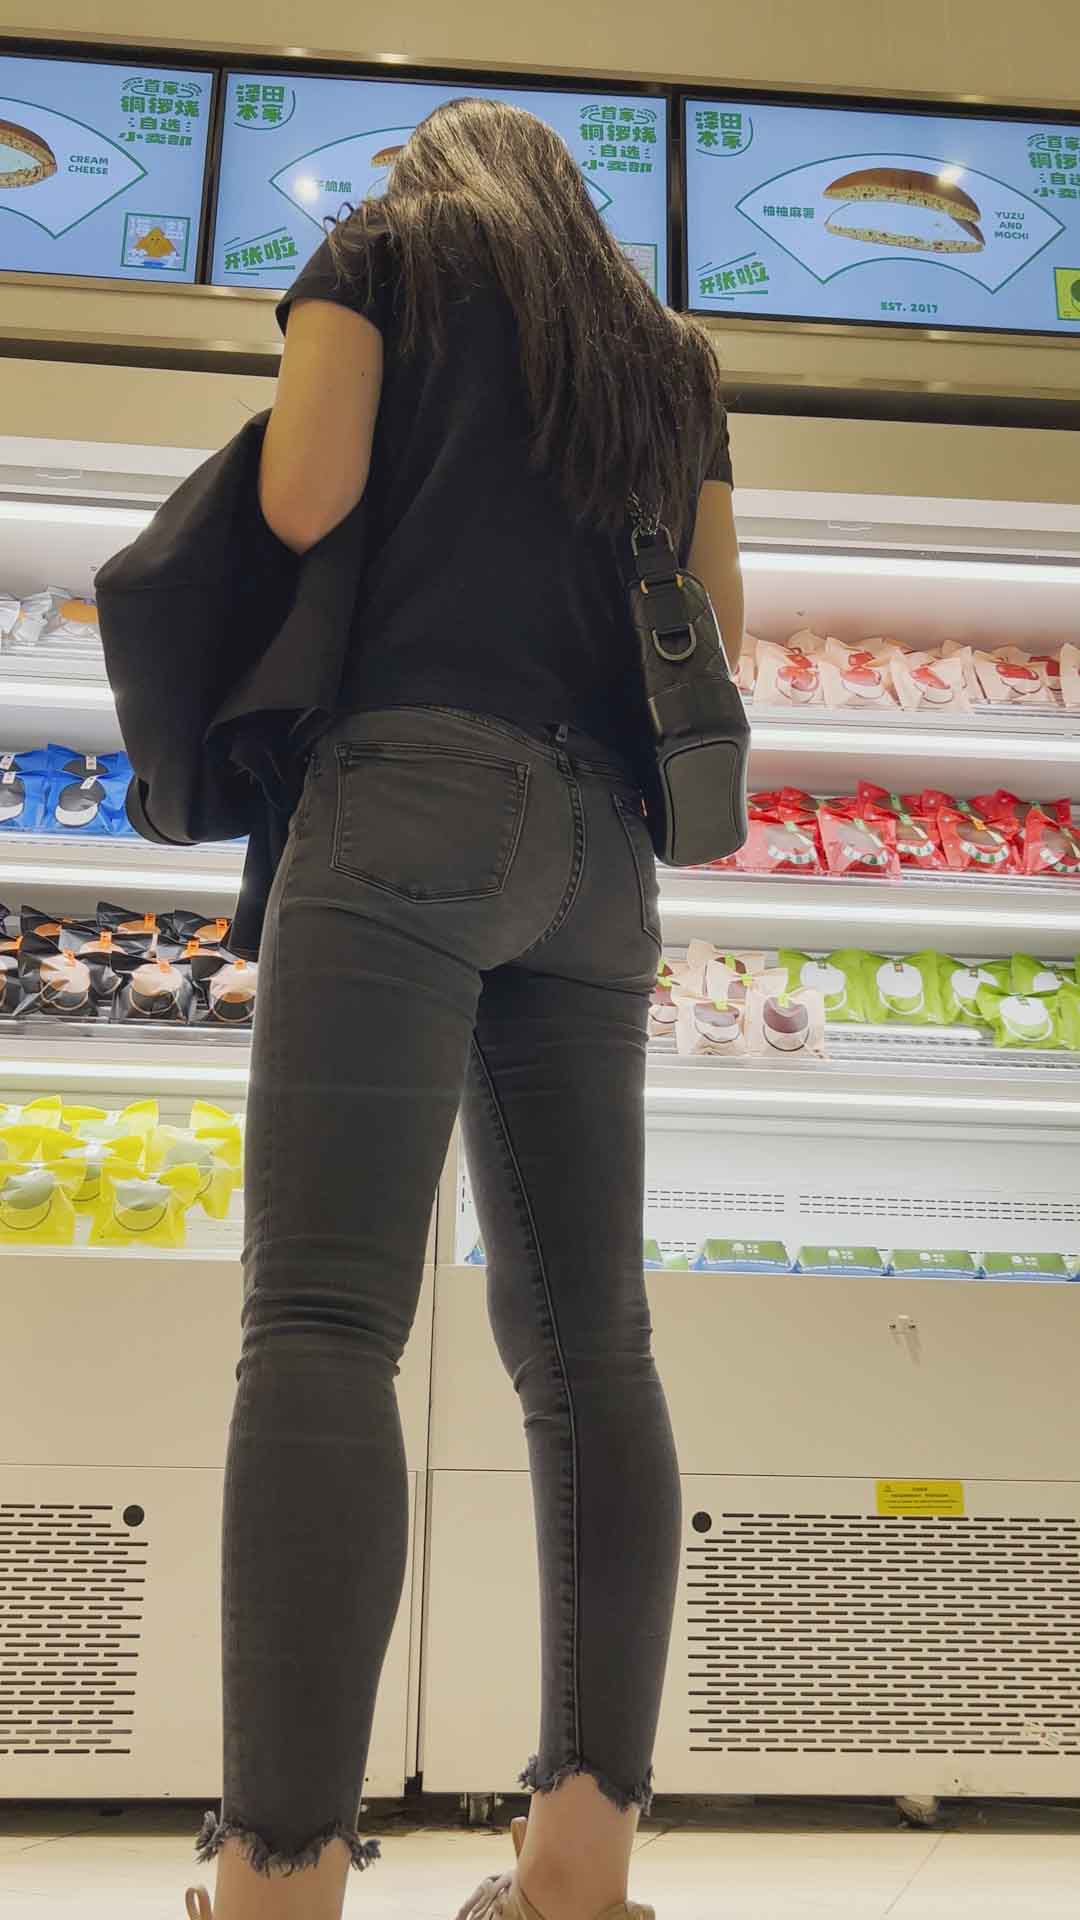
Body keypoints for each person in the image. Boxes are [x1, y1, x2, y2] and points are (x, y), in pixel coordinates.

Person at [186, 95, 743, 1920]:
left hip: (408, 799)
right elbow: (719, 637)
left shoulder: (386, 251)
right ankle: (578, 1871)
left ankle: (279, 1882)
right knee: (593, 1354)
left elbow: (303, 497)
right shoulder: (666, 356)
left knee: (324, 1323)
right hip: (600, 859)